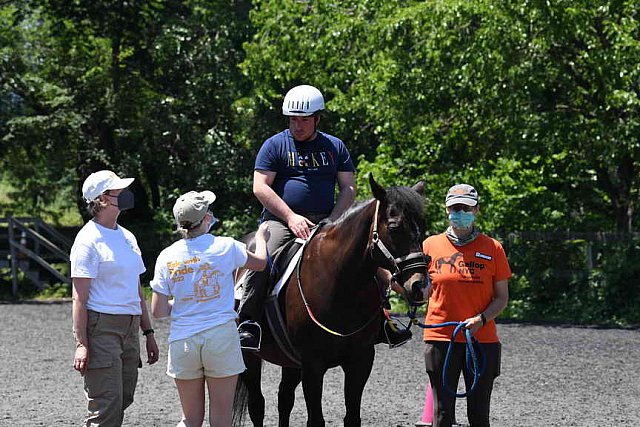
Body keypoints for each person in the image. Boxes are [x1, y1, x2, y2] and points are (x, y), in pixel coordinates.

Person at [236, 84, 357, 349]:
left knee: (365, 250)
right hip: (281, 221)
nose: (297, 125)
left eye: (304, 120)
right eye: (293, 119)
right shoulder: (274, 145)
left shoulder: (335, 146)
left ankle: (383, 320)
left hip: (327, 220)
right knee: (262, 257)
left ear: (317, 119)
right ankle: (248, 322)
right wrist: (291, 217)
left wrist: (334, 219)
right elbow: (260, 186)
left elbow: (348, 187)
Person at [150, 190, 270, 427]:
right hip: (220, 338)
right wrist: (262, 238)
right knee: (221, 419)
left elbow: (159, 311)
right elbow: (261, 263)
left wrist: (184, 303)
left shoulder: (166, 256)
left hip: (183, 341)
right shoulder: (226, 246)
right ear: (206, 218)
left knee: (190, 420)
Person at [70, 170, 159, 426]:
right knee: (106, 405)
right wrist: (81, 343)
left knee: (123, 398)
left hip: (130, 327)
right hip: (102, 328)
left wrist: (148, 332)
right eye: (119, 191)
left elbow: (136, 288)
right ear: (102, 199)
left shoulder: (127, 236)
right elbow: (79, 297)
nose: (126, 194)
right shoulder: (87, 241)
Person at [420, 184, 511, 427]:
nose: (460, 212)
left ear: (476, 210)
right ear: (446, 210)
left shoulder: (493, 248)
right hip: (440, 338)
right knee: (441, 415)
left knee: (479, 415)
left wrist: (481, 319)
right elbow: (419, 288)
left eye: (465, 207)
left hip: (482, 341)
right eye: (455, 207)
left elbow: (502, 298)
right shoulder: (429, 246)